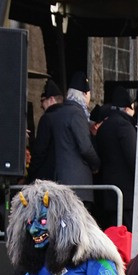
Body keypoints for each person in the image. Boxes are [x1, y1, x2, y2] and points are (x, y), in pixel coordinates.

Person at [48, 71, 100, 209]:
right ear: (84, 94)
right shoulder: (77, 114)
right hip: (78, 185)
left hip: (61, 180)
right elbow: (85, 147)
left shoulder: (60, 112)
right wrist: (96, 164)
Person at [94, 85, 137, 230]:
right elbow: (133, 159)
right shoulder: (125, 126)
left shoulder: (104, 127)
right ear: (126, 108)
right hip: (128, 196)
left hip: (109, 194)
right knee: (129, 238)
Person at [28, 79, 64, 183]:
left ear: (51, 99)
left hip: (46, 178)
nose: (41, 105)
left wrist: (30, 172)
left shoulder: (47, 119)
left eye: (43, 101)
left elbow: (40, 151)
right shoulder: (68, 117)